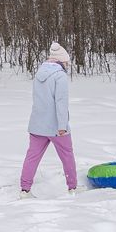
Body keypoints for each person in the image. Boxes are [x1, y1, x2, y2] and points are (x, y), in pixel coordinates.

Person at [19, 42, 78, 197]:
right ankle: (72, 187)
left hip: (37, 124)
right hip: (57, 127)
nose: (67, 65)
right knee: (67, 155)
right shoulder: (60, 76)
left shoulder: (39, 74)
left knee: (32, 157)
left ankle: (25, 190)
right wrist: (62, 125)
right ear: (61, 61)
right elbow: (61, 102)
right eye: (66, 62)